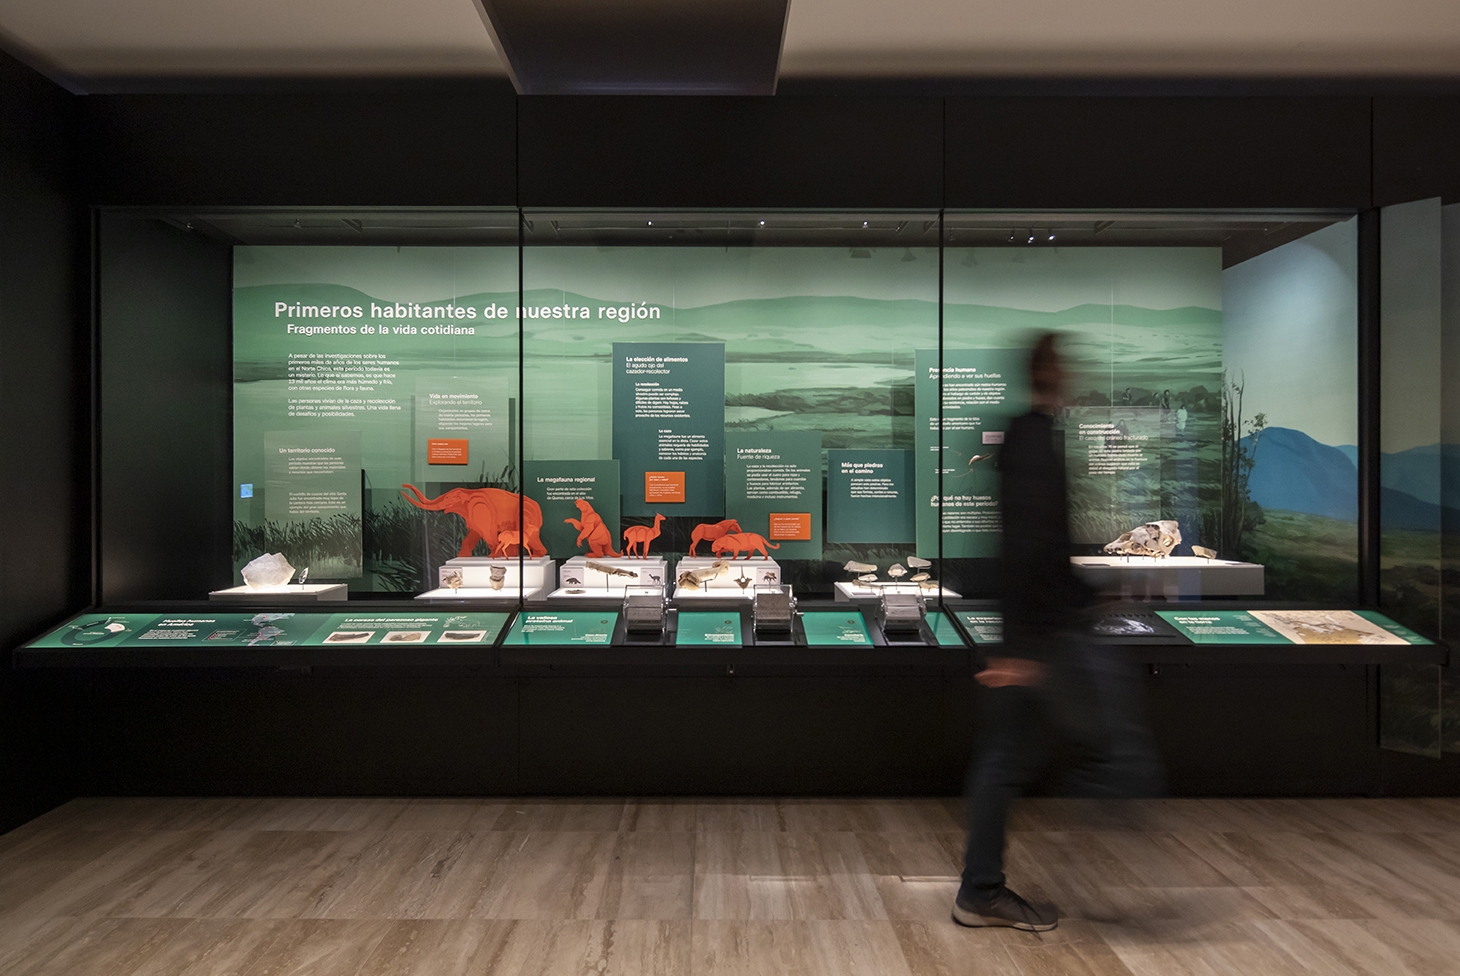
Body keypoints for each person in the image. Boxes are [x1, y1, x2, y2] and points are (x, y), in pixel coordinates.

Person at [953, 333, 1164, 933]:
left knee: (1009, 756)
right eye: (1061, 363)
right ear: (1046, 370)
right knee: (1109, 750)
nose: (1069, 373)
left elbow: (1036, 548)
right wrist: (1019, 649)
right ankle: (1008, 881)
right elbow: (1025, 546)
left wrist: (1087, 594)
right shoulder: (1031, 441)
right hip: (1040, 638)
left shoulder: (1034, 434)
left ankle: (983, 889)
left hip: (1039, 631)